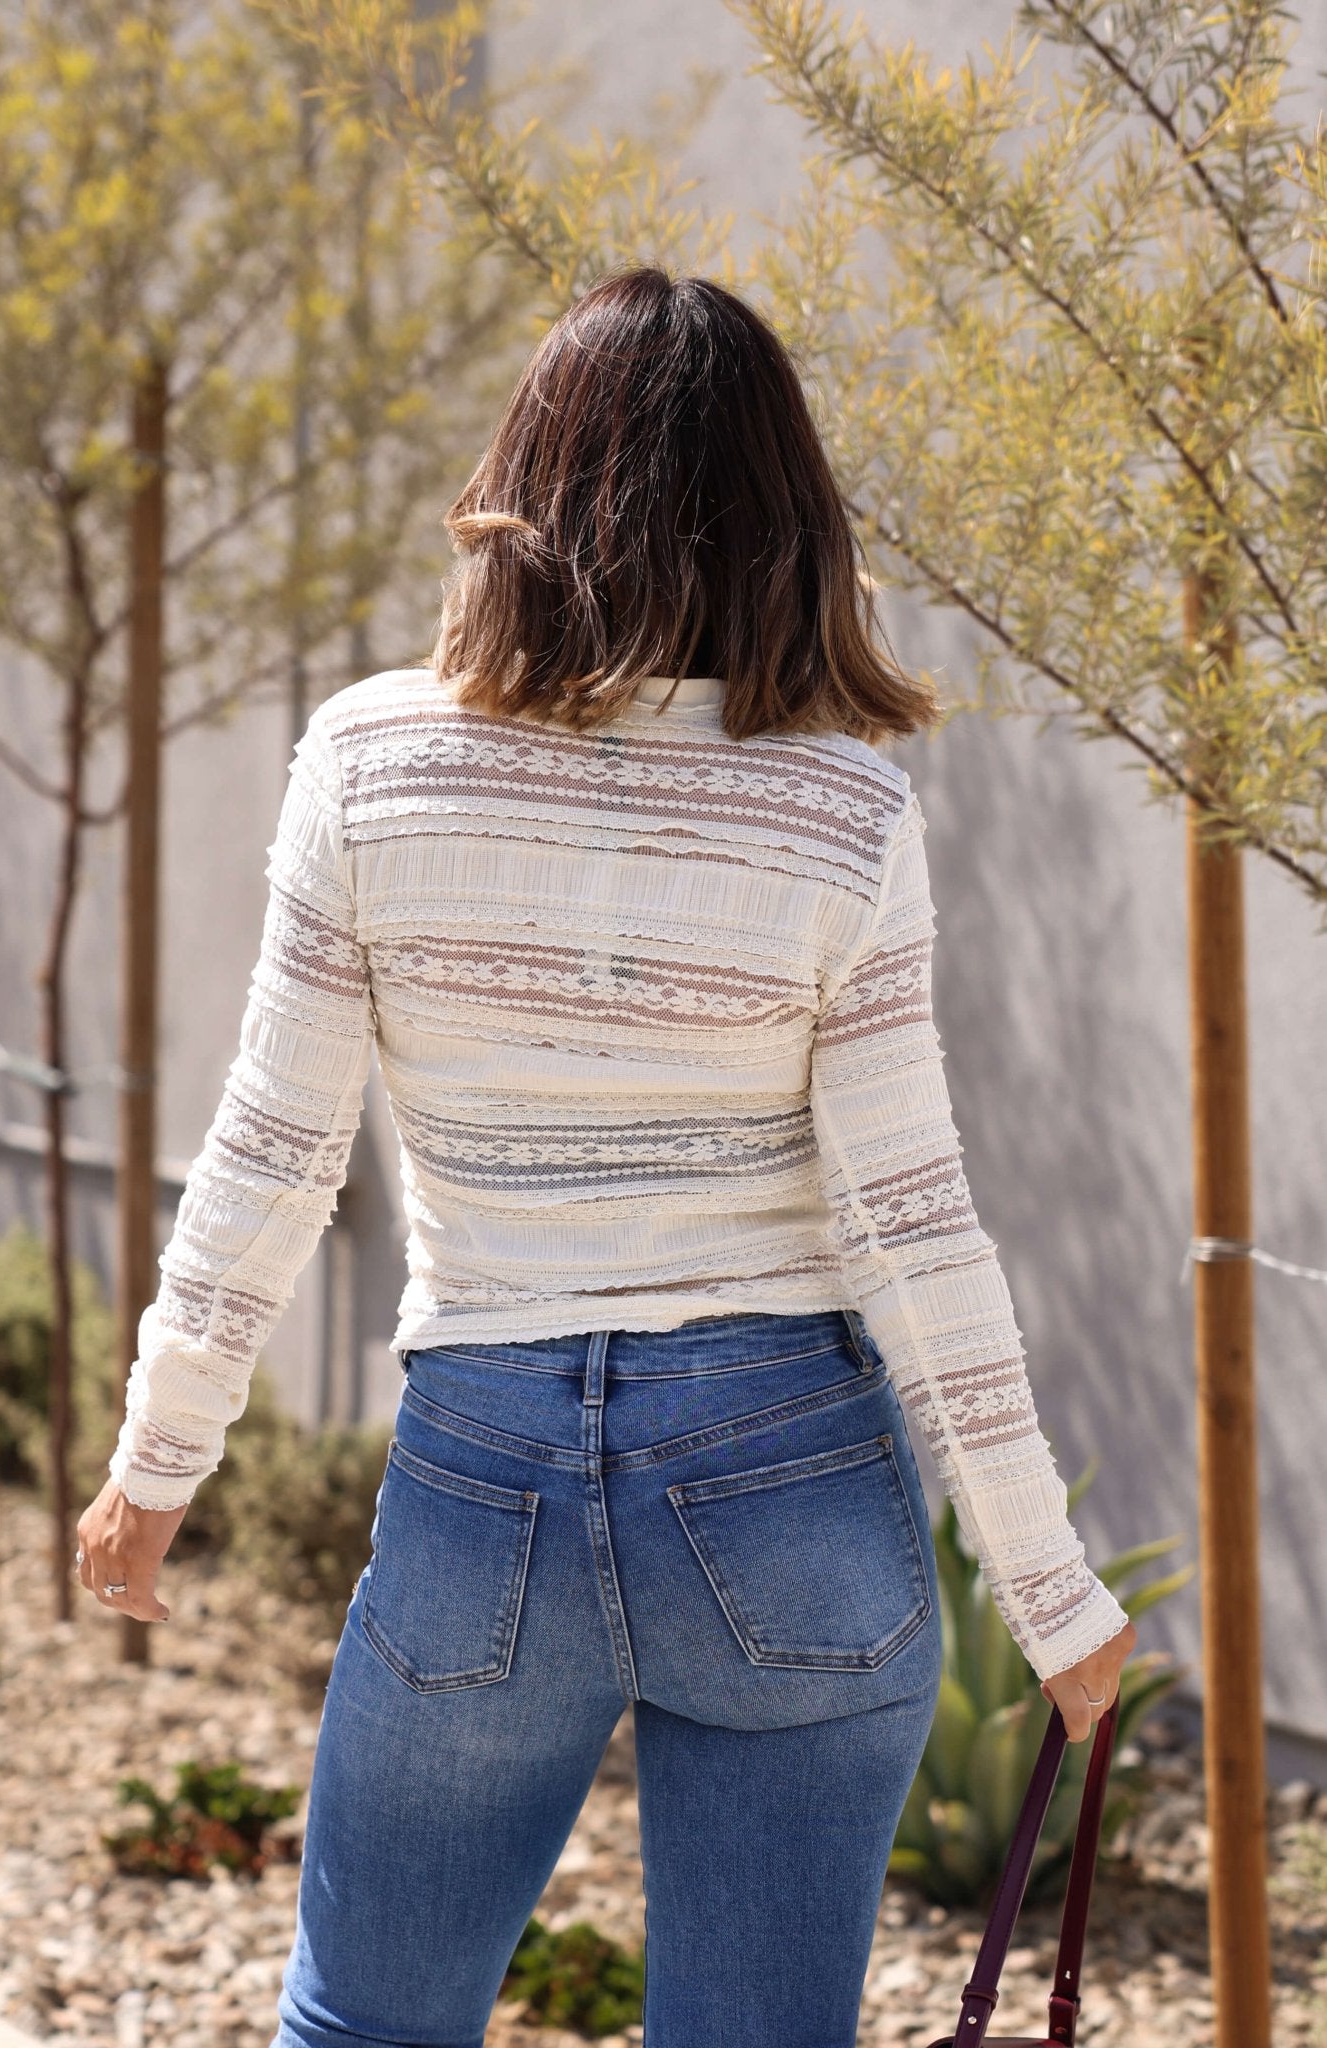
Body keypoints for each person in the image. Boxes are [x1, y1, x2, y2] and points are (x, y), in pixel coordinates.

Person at [76, 264, 1137, 2048]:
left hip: (485, 1476)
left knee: (366, 2027)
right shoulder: (837, 804)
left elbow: (273, 1151)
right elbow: (912, 1217)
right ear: (783, 518)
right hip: (788, 1472)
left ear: (526, 484)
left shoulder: (370, 762)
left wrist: (158, 1458)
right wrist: (1047, 1585)